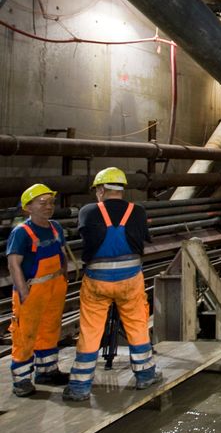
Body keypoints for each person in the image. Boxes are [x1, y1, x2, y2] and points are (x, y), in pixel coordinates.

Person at [63, 167, 160, 401]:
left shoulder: (88, 211)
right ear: (122, 189)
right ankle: (145, 375)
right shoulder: (137, 211)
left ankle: (79, 388)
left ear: (101, 189)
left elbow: (85, 236)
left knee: (90, 330)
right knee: (137, 325)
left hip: (98, 281)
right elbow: (143, 240)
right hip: (130, 279)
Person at [6, 183, 70, 397]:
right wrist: (23, 291)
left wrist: (65, 275)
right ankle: (22, 379)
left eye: (51, 202)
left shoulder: (55, 228)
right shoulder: (21, 232)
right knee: (25, 333)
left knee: (50, 328)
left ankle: (47, 370)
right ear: (28, 207)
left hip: (54, 286)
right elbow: (14, 263)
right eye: (42, 203)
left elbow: (62, 253)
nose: (48, 207)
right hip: (33, 288)